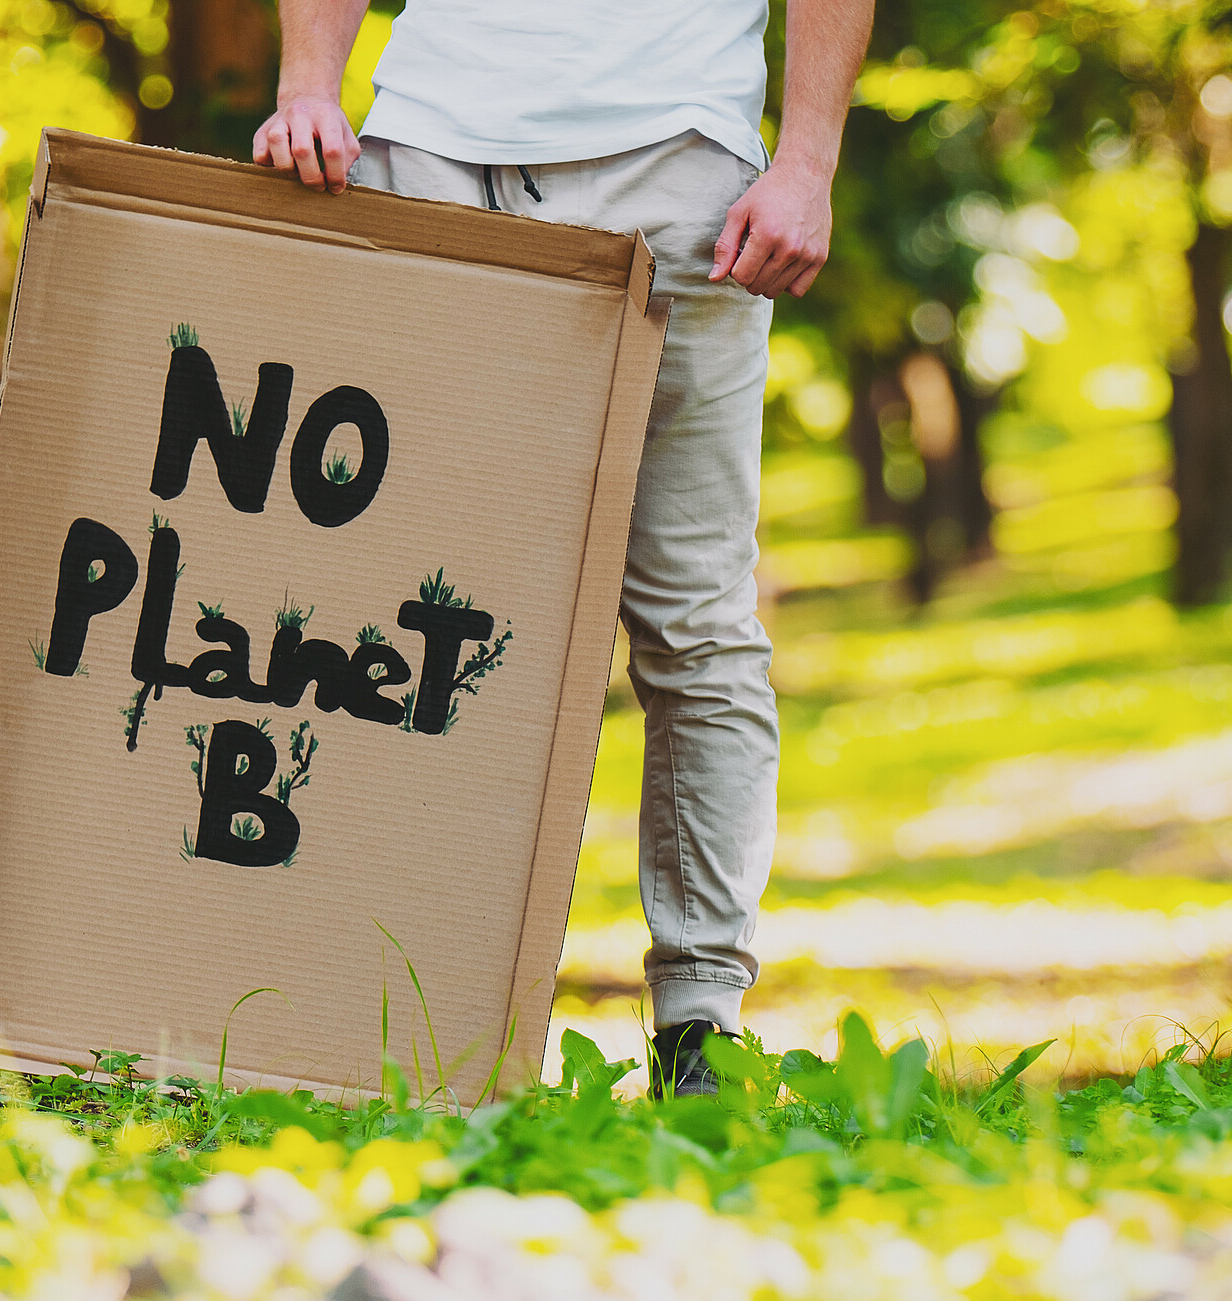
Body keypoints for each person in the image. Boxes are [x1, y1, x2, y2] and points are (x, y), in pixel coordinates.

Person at [254, 0, 874, 1096]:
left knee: (692, 622)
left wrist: (809, 159)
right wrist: (309, 80)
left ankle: (702, 1031)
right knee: (382, 616)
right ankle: (363, 1001)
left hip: (680, 180)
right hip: (427, 157)